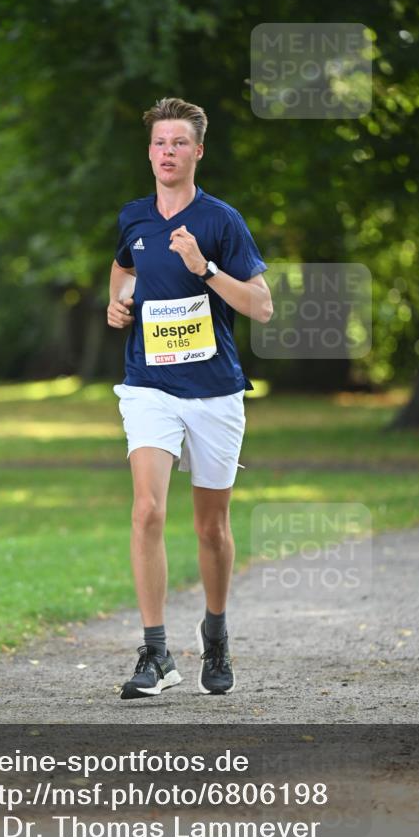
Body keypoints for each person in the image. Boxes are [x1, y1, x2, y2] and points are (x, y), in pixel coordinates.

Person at [107, 97, 272, 700]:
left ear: (198, 151)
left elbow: (261, 305)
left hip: (214, 392)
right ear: (148, 151)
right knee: (147, 510)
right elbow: (122, 268)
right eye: (158, 143)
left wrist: (204, 269)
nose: (167, 152)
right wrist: (117, 302)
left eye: (178, 142)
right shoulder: (133, 217)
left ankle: (217, 632)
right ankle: (155, 653)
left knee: (211, 527)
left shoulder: (222, 221)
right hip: (148, 385)